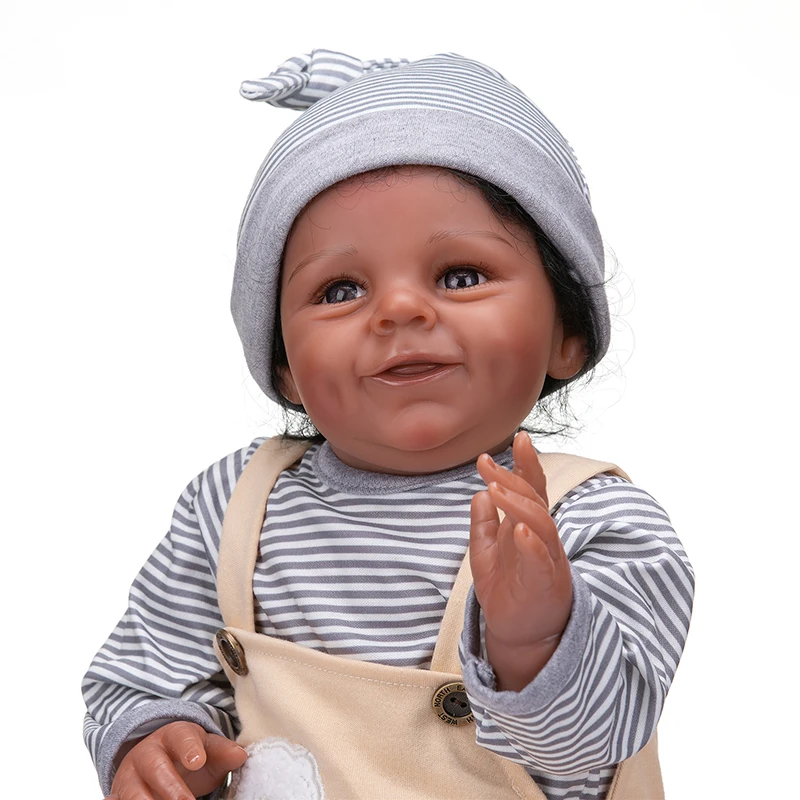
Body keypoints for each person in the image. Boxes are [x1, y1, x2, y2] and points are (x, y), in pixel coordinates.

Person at [83, 49, 694, 800]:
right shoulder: (233, 506)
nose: (399, 309)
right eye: (341, 289)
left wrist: (538, 635)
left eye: (460, 276)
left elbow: (598, 746)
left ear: (567, 333)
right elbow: (140, 674)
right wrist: (155, 741)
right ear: (284, 365)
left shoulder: (596, 525)